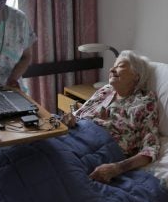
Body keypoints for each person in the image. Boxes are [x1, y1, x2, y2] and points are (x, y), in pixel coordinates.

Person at [62, 50, 160, 184]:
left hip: (101, 148)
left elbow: (150, 148)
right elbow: (78, 115)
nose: (112, 69)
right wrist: (69, 120)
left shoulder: (144, 101)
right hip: (75, 136)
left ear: (136, 76)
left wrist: (117, 168)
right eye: (113, 66)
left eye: (120, 66)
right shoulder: (105, 91)